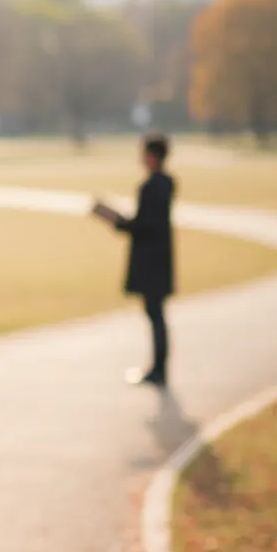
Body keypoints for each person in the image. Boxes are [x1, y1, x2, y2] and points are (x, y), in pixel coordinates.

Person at [92, 132, 176, 387]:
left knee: (155, 314)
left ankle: (159, 370)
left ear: (151, 156)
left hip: (151, 261)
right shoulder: (167, 183)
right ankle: (159, 368)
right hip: (161, 258)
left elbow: (143, 226)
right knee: (156, 314)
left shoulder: (151, 187)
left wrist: (112, 218)